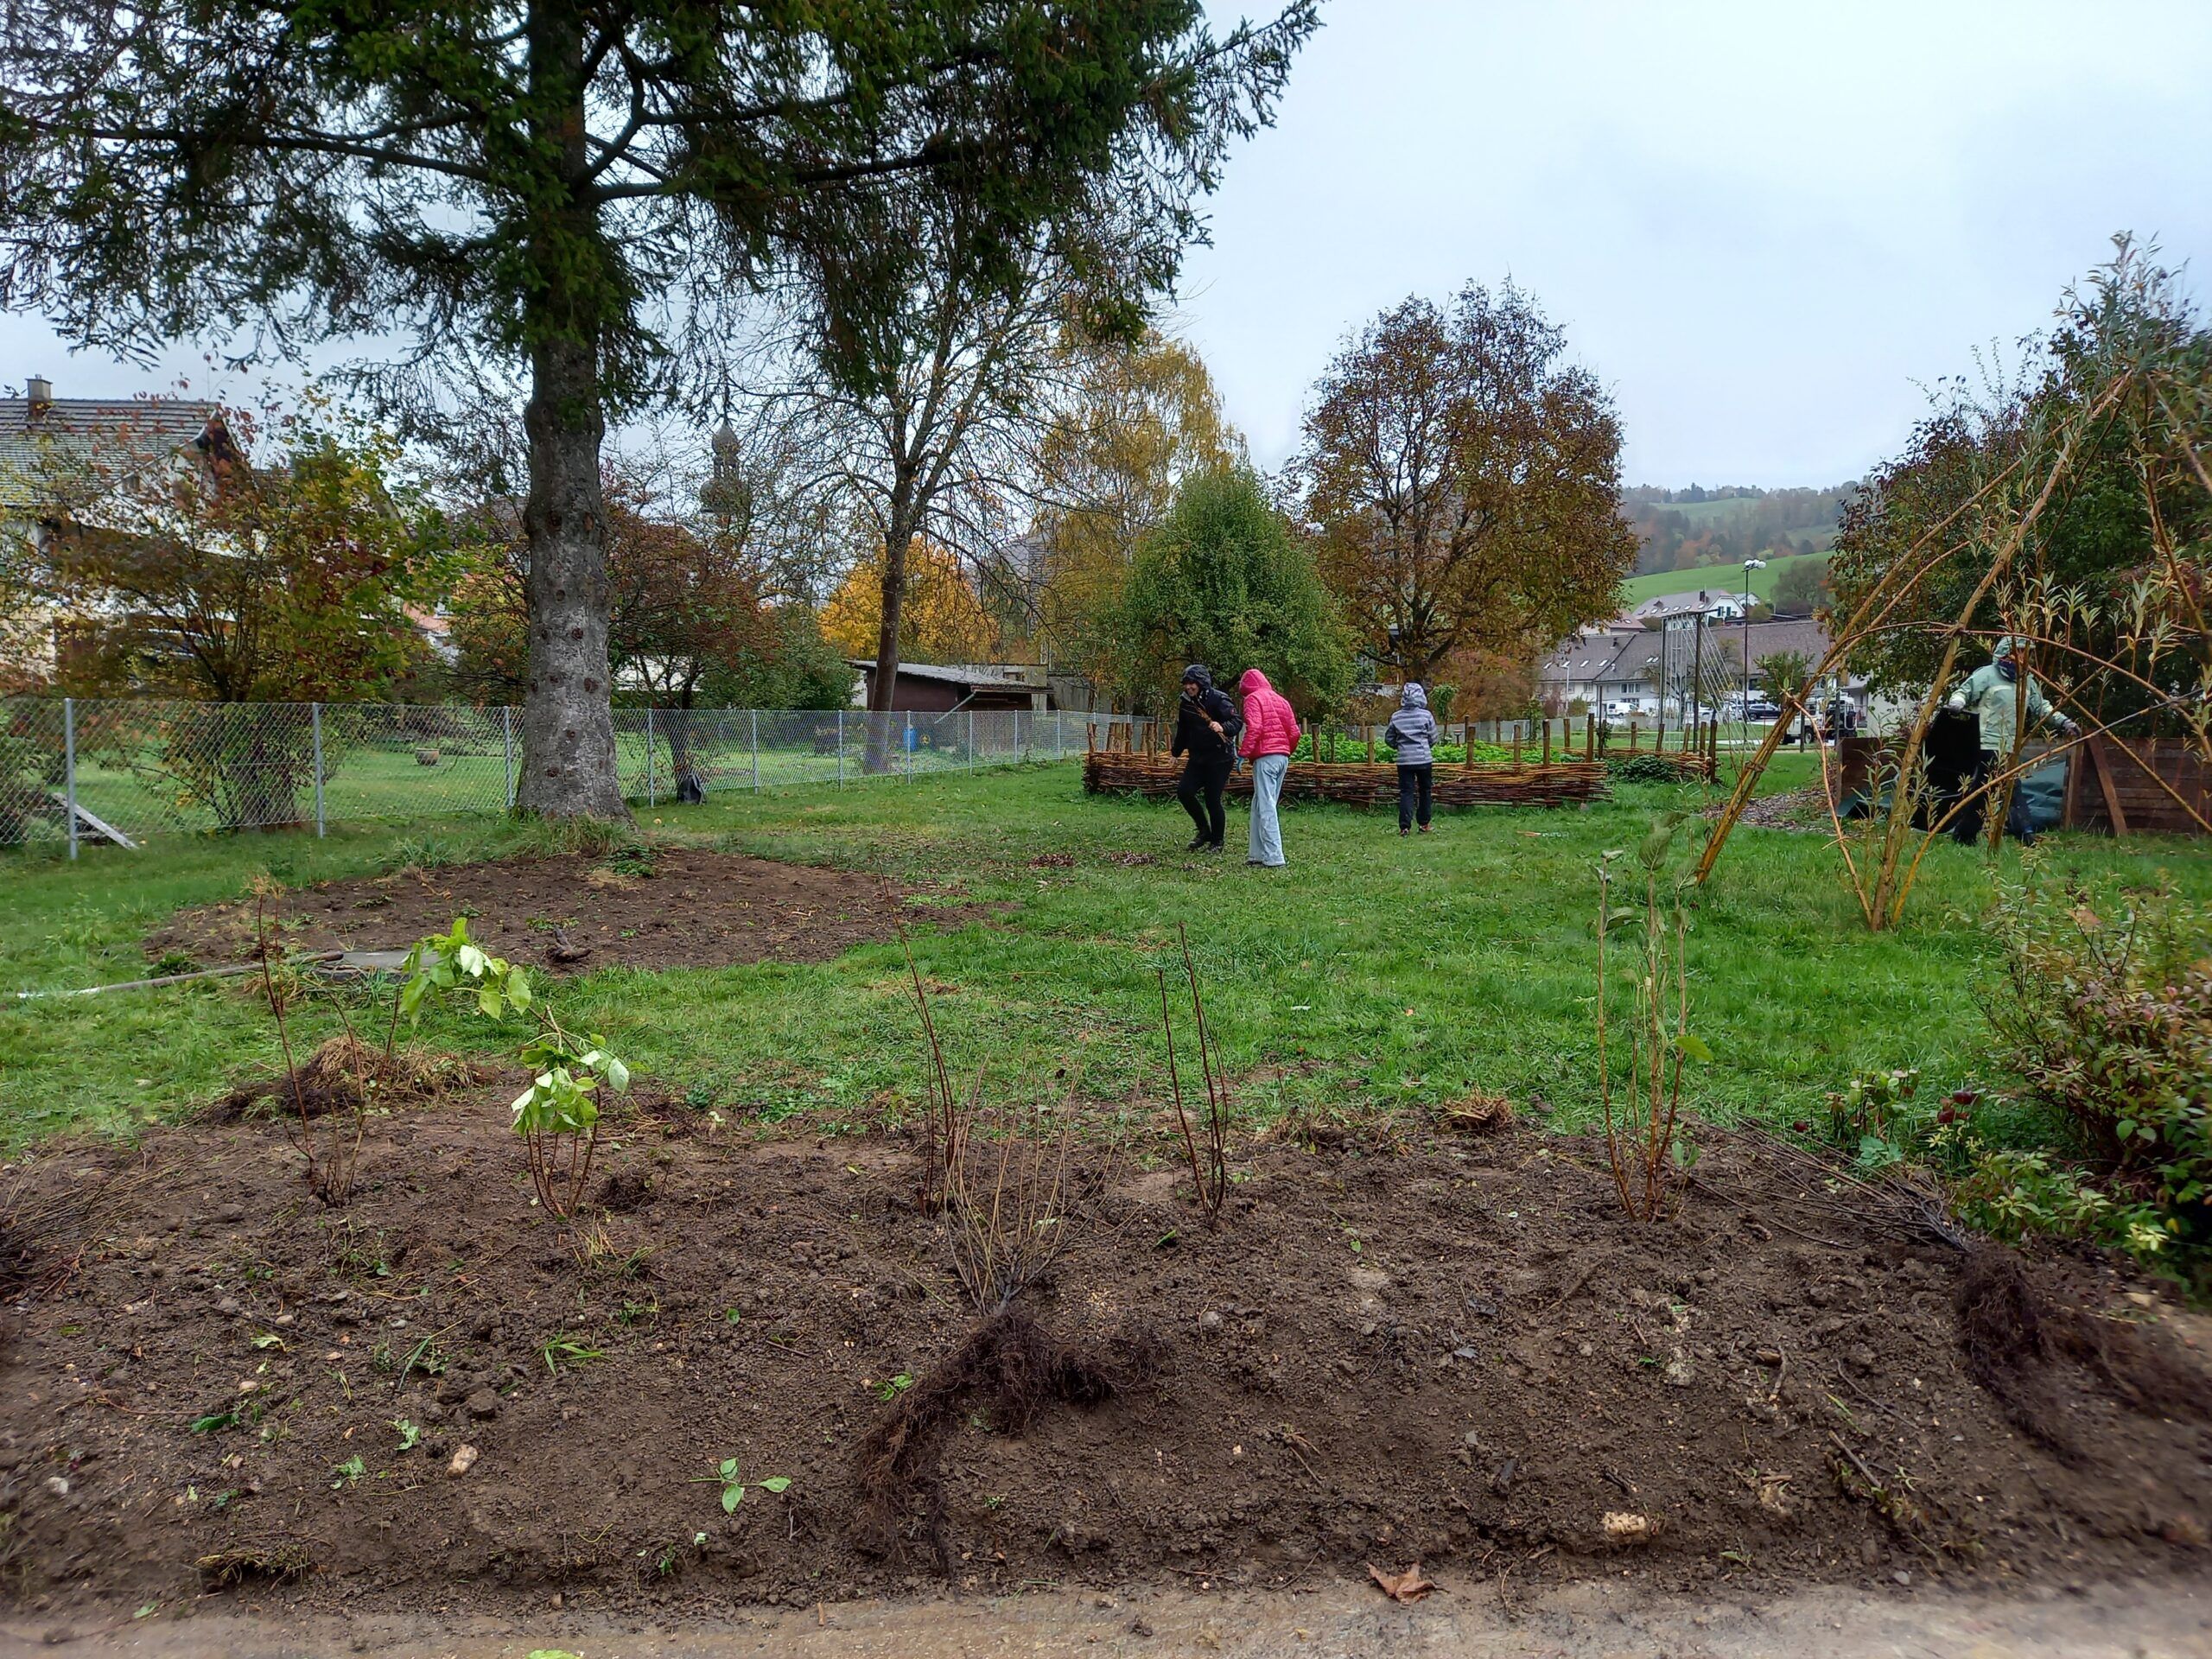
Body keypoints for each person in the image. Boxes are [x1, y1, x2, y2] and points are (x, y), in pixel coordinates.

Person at [1943, 635, 2079, 845]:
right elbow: (1964, 692)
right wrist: (1956, 704)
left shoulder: (2027, 681)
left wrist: (2064, 722)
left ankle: (1964, 834)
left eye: (2026, 653)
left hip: (2010, 746)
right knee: (2009, 788)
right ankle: (2025, 835)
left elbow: (2041, 707)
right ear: (2008, 652)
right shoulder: (1987, 675)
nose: (2024, 657)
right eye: (2020, 651)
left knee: (1985, 792)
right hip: (1986, 743)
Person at [1170, 664, 1241, 853]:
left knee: (1212, 800)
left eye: (1192, 683)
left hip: (1220, 758)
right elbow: (1183, 730)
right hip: (1198, 757)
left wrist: (1223, 727)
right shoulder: (1186, 703)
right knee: (1184, 792)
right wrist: (1176, 753)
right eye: (1186, 683)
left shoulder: (1219, 699)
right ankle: (1203, 831)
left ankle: (1217, 842)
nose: (1188, 687)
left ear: (1201, 682)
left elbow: (1237, 722)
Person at [1236, 668, 1300, 867]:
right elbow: (1295, 732)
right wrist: (1285, 749)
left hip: (1265, 757)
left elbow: (1255, 727)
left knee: (1266, 806)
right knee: (1259, 804)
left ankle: (1274, 857)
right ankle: (1256, 854)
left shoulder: (1253, 699)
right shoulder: (1280, 699)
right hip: (1282, 756)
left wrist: (1243, 753)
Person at [1384, 682, 1440, 836]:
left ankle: (1405, 827)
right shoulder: (1426, 715)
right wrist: (1424, 745)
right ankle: (1424, 824)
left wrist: (1400, 746)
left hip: (1404, 761)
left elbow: (1389, 739)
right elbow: (1433, 737)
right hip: (1423, 759)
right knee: (1425, 791)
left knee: (1406, 792)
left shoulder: (1396, 717)